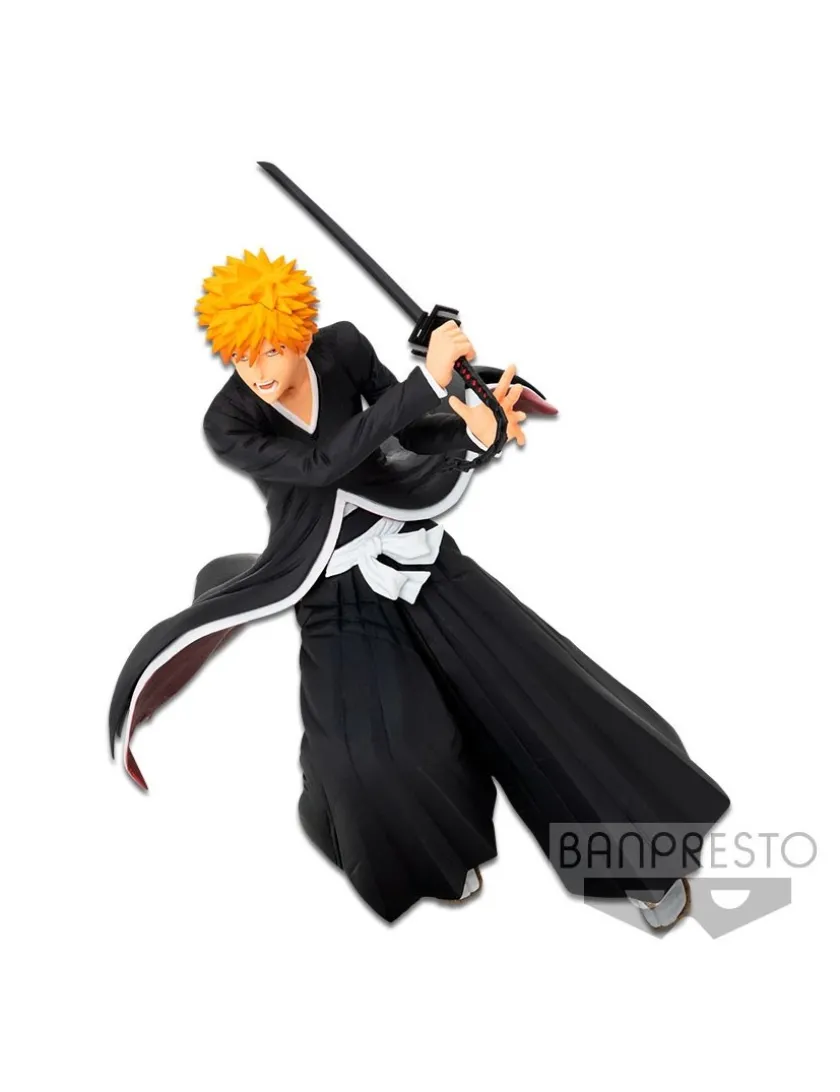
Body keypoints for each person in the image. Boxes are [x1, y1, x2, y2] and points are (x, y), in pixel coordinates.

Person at [109, 248, 730, 927]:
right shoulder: (227, 421)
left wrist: (473, 428)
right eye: (241, 356)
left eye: (272, 350)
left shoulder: (342, 349)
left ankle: (634, 861)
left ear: (301, 333)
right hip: (332, 590)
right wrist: (426, 381)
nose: (258, 371)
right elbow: (322, 464)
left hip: (418, 553)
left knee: (540, 695)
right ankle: (429, 854)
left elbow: (408, 432)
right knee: (369, 753)